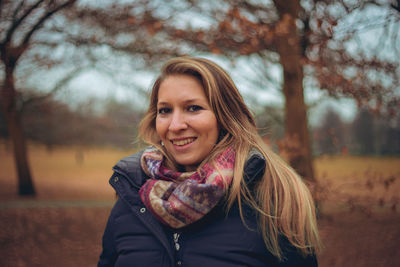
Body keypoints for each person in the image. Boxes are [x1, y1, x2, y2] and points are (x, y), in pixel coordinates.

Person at [98, 57, 321, 267]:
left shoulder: (275, 195)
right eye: (165, 110)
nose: (175, 125)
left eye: (193, 108)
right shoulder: (132, 193)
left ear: (225, 116)